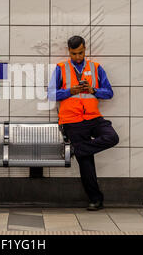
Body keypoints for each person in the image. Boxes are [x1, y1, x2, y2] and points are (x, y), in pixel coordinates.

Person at [47, 35, 119, 211]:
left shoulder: (95, 68)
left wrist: (93, 90)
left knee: (112, 137)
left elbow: (109, 93)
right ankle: (96, 200)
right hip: (72, 120)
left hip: (94, 118)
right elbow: (50, 94)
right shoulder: (60, 68)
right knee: (86, 163)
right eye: (73, 54)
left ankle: (77, 150)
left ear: (85, 49)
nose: (77, 57)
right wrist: (69, 91)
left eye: (80, 53)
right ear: (68, 51)